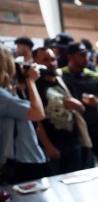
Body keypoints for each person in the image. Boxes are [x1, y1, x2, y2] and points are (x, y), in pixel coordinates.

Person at [0, 44, 85, 202]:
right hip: (20, 165)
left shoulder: (8, 90)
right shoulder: (2, 95)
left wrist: (24, 82)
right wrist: (32, 82)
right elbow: (37, 113)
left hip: (35, 159)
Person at [61, 41, 98, 168]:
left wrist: (97, 102)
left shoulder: (93, 77)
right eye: (81, 55)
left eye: (86, 55)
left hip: (95, 126)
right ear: (70, 57)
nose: (85, 58)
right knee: (81, 168)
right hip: (73, 130)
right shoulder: (60, 76)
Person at [33, 46, 84, 175]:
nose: (51, 63)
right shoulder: (34, 86)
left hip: (73, 141)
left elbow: (81, 108)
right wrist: (48, 146)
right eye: (45, 60)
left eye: (53, 59)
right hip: (52, 144)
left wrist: (76, 104)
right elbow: (36, 121)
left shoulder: (64, 81)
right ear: (36, 63)